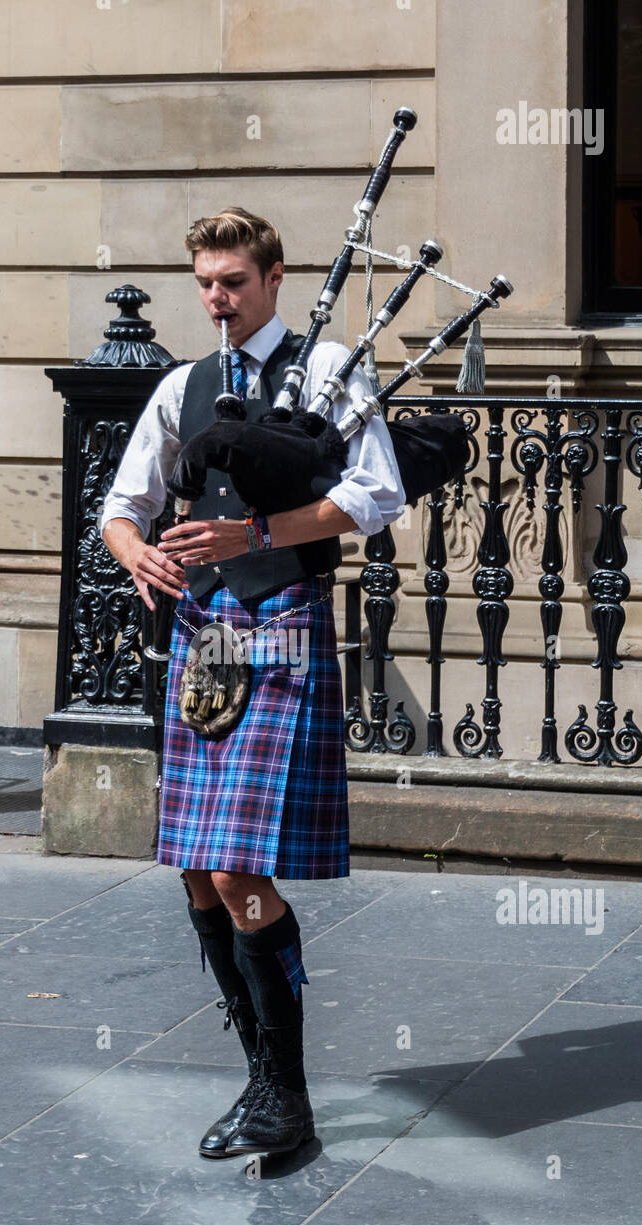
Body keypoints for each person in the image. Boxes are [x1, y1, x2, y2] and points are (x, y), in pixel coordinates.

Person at [99, 207, 405, 1160]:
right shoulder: (181, 385)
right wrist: (138, 556)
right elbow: (121, 504)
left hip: (279, 624)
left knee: (234, 865)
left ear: (274, 280)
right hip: (201, 632)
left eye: (232, 281)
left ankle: (286, 1096)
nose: (216, 300)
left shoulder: (327, 368)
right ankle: (262, 1083)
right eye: (204, 283)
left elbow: (374, 495)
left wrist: (254, 538)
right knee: (197, 866)